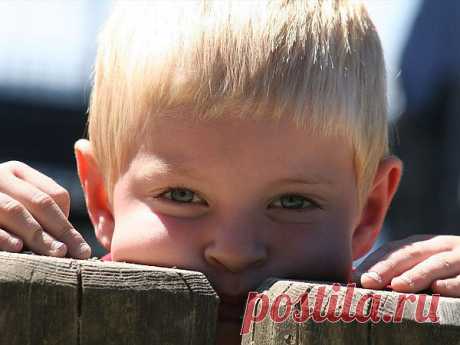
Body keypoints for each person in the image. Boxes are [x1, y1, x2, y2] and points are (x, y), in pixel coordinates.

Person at [0, 1, 459, 342]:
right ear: (100, 196)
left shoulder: (400, 323)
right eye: (181, 195)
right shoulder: (36, 308)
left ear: (368, 209)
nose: (235, 251)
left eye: (292, 202)